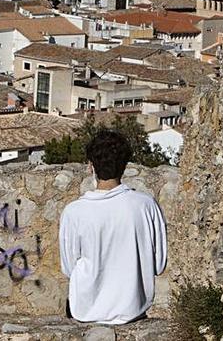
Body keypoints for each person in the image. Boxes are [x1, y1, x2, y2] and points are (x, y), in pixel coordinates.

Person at [58, 130, 168, 325]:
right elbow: (158, 264)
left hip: (86, 312)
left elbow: (69, 268)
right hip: (133, 311)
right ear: (125, 166)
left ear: (90, 166)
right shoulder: (146, 205)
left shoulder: (73, 212)